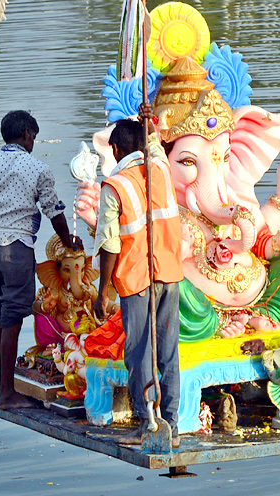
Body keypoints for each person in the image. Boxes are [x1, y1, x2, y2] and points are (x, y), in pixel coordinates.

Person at [0, 110, 81, 410]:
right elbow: (54, 211)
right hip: (16, 248)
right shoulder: (37, 168)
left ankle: (2, 387)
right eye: (33, 138)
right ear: (26, 134)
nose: (33, 143)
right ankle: (6, 394)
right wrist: (69, 241)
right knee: (12, 318)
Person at [92, 117, 183, 447]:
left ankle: (149, 424)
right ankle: (171, 424)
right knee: (168, 352)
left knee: (140, 353)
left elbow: (109, 243)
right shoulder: (160, 168)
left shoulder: (115, 186)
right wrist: (148, 121)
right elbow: (155, 144)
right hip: (170, 274)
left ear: (115, 150)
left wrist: (103, 293)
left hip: (138, 278)